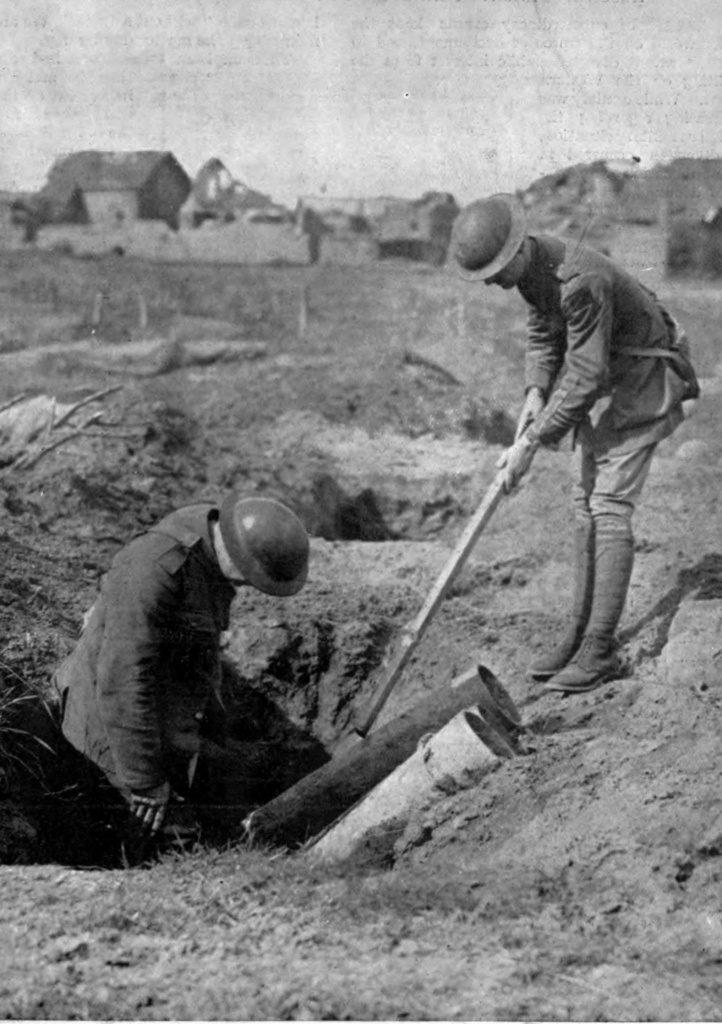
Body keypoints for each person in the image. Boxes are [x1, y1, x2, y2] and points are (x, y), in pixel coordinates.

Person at [451, 194, 699, 694]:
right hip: (611, 373)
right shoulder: (532, 271)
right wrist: (535, 392)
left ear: (521, 246)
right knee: (582, 503)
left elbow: (584, 379)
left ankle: (599, 649)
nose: (498, 283)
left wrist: (530, 443)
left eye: (500, 270)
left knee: (608, 504)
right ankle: (578, 634)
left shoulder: (580, 278)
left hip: (645, 374)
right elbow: (545, 334)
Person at [53, 493, 310, 862]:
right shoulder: (156, 568)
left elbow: (197, 661)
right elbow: (122, 680)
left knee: (233, 786)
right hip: (110, 725)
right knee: (174, 842)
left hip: (163, 716)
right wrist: (147, 782)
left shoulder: (209, 546)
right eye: (252, 578)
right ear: (236, 553)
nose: (251, 587)